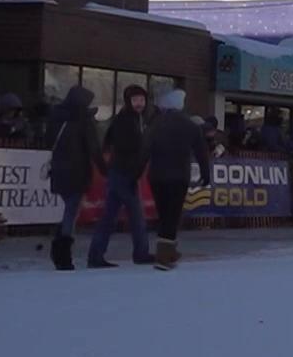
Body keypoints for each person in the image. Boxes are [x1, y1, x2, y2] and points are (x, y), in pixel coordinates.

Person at [88, 85, 154, 269]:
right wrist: (134, 172)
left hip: (120, 173)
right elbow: (127, 148)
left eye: (142, 100)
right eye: (135, 100)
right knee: (136, 216)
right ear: (128, 102)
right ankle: (140, 253)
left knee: (110, 216)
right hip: (125, 174)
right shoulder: (127, 121)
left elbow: (110, 142)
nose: (139, 104)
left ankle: (96, 254)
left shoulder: (132, 119)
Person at [146, 90, 211, 270]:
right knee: (172, 215)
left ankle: (169, 250)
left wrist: (137, 171)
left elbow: (145, 149)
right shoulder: (190, 125)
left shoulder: (155, 124)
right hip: (178, 176)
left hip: (157, 175)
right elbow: (201, 152)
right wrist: (206, 174)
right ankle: (164, 256)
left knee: (164, 213)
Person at [46, 85, 104, 270]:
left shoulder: (56, 117)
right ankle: (62, 249)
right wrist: (104, 169)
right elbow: (93, 147)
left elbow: (47, 140)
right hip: (78, 170)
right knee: (72, 210)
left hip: (59, 170)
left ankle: (60, 245)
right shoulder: (84, 121)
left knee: (70, 208)